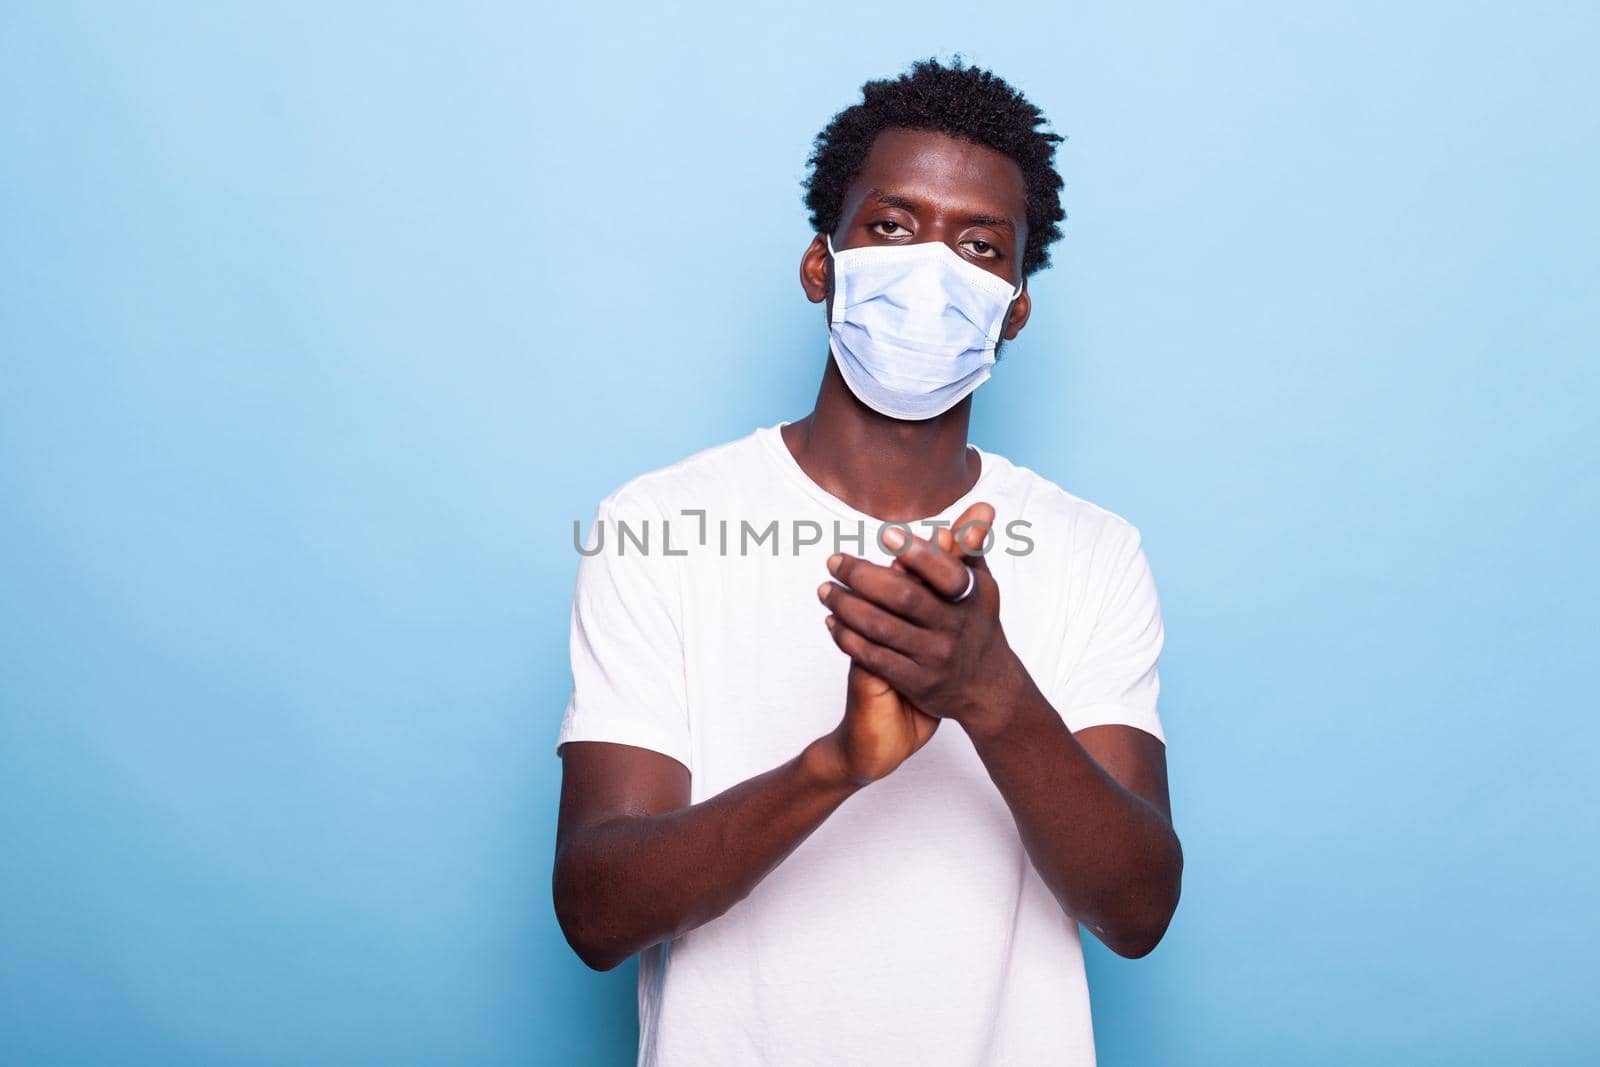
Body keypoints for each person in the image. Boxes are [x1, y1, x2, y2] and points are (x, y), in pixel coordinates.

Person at [553, 57, 1182, 1066]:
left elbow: (1137, 907)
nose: (930, 269)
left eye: (979, 246)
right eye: (891, 227)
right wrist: (836, 764)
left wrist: (991, 693)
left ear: (1014, 308)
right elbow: (595, 911)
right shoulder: (658, 523)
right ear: (821, 265)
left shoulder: (1092, 550)